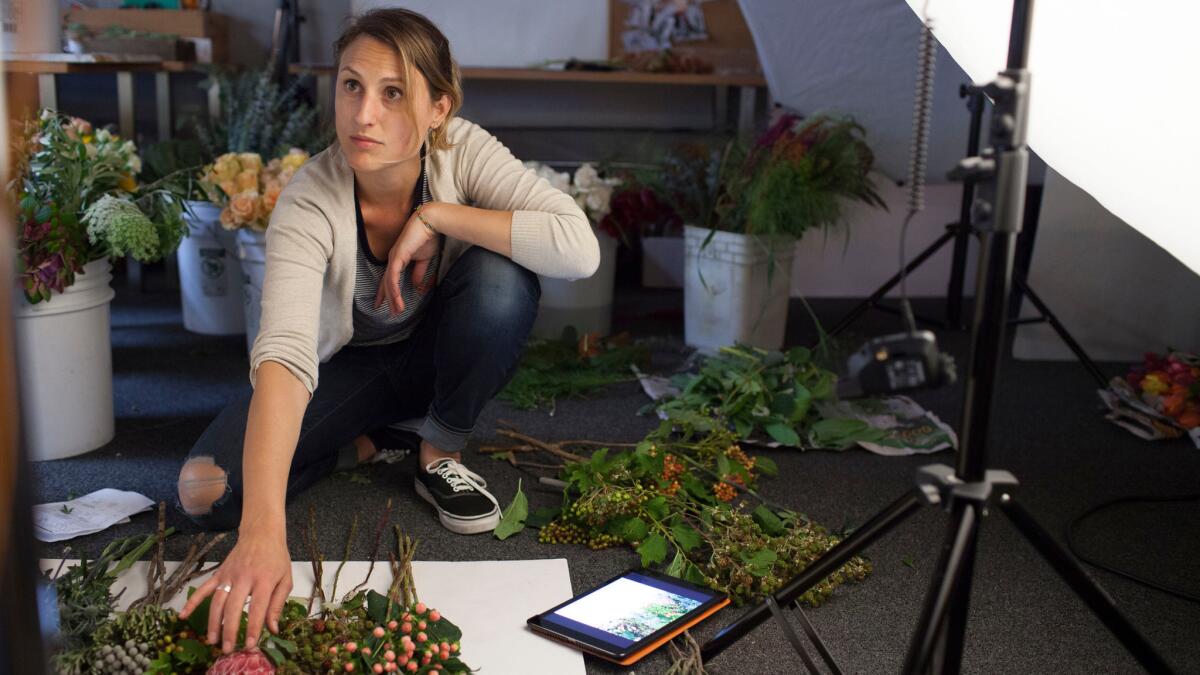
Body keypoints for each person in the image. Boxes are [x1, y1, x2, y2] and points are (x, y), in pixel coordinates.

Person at [174, 7, 599, 654]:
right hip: (353, 368)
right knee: (203, 492)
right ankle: (371, 442)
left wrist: (439, 216)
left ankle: (439, 449)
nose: (364, 114)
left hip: (438, 352)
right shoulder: (310, 199)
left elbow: (578, 248)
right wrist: (263, 530)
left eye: (393, 92)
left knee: (500, 281)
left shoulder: (466, 151)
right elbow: (285, 358)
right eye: (351, 86)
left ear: (439, 108)